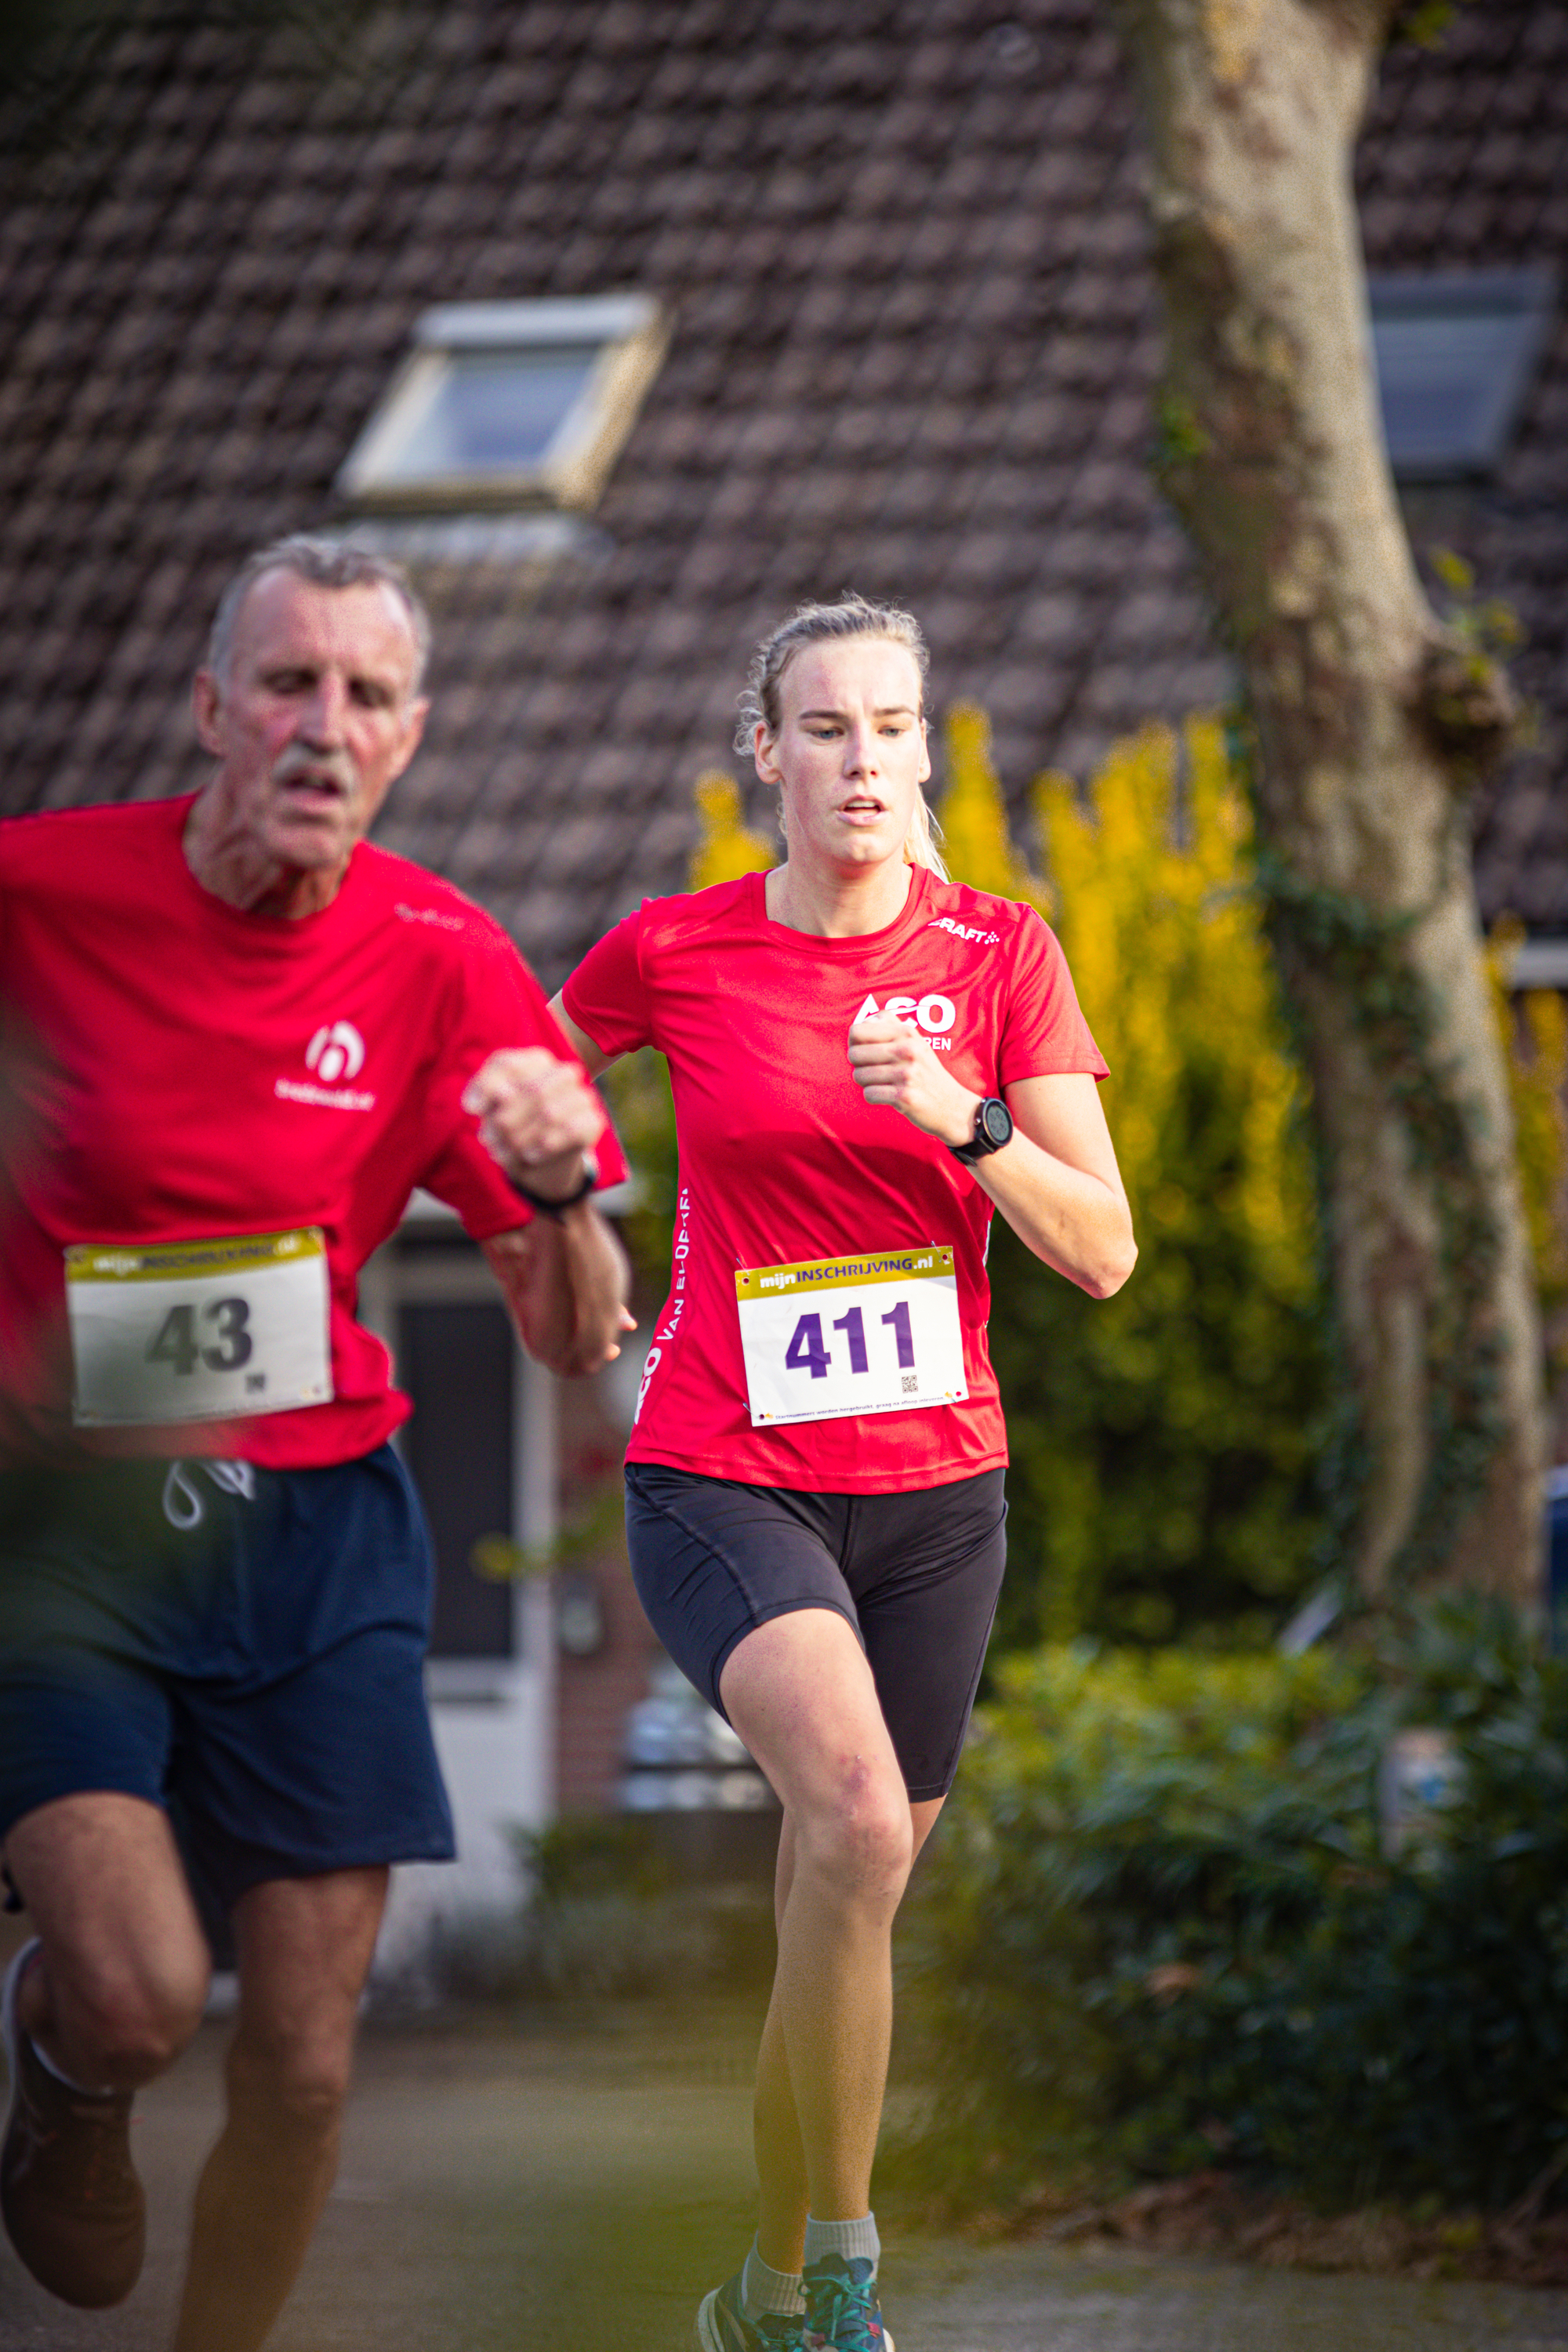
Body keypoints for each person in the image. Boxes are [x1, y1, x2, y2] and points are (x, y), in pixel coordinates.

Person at [0, 536, 632, 2350]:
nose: (319, 726)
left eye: (362, 697)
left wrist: (560, 1189)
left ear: (408, 738)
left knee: (302, 2058)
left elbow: (573, 1329)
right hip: (68, 1531)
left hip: (317, 1533)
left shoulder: (446, 961)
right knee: (138, 1993)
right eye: (286, 683)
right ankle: (64, 2072)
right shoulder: (42, 896)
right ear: (211, 708)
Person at [550, 592, 1137, 2352]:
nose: (862, 759)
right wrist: (567, 1215)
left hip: (939, 1493)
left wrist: (962, 1116)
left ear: (924, 751)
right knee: (858, 1824)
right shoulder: (677, 949)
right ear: (766, 755)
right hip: (727, 1468)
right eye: (825, 727)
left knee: (844, 1892)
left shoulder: (1000, 954)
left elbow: (1103, 1250)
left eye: (892, 726)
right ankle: (844, 2290)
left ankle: (759, 2280)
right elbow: (508, 1079)